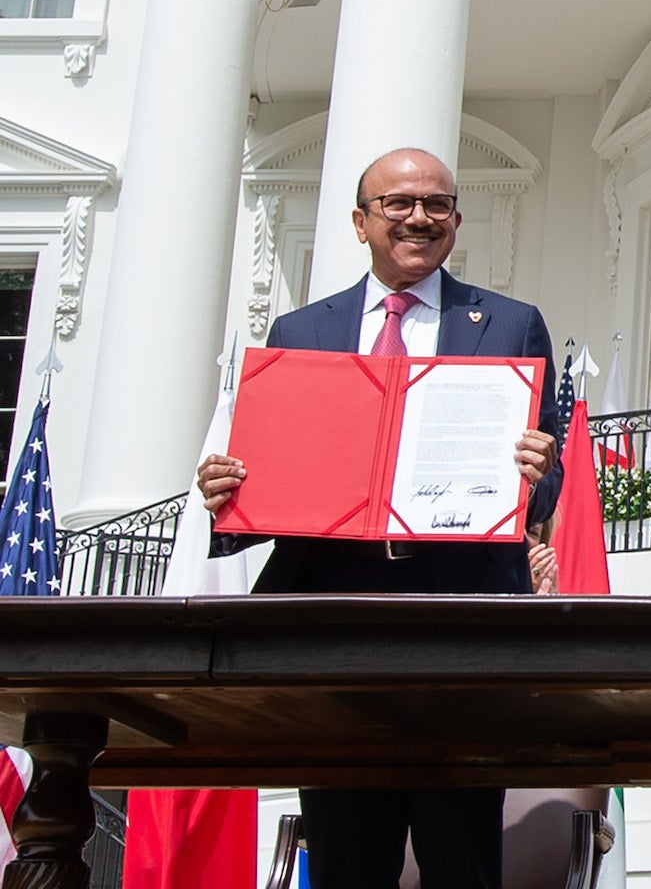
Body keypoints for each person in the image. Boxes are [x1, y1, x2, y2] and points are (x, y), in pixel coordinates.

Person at [196, 147, 562, 889]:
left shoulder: (511, 324)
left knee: (460, 851)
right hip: (334, 615)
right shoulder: (301, 330)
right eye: (398, 203)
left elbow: (546, 487)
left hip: (460, 611)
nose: (418, 218)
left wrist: (538, 472)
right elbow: (275, 471)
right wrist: (229, 490)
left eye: (436, 204)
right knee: (346, 851)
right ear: (361, 221)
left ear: (456, 220)